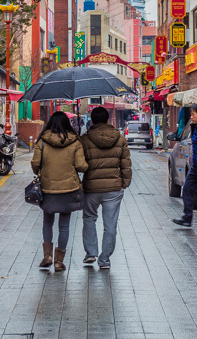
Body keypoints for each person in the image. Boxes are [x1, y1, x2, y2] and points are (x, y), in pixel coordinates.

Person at [31, 111, 88, 272]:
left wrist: (42, 171)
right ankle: (59, 262)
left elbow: (35, 164)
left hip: (47, 188)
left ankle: (47, 256)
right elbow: (81, 166)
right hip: (69, 188)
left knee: (47, 222)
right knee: (64, 225)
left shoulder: (42, 141)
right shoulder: (75, 141)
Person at [79, 106, 132, 269]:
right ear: (108, 120)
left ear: (92, 120)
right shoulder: (120, 138)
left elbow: (79, 164)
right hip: (113, 189)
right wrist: (124, 184)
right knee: (110, 224)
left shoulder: (85, 139)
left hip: (91, 188)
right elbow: (126, 164)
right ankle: (105, 260)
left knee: (89, 218)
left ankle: (91, 253)